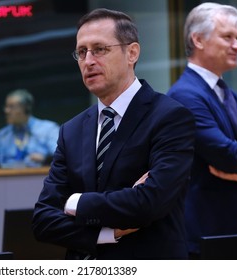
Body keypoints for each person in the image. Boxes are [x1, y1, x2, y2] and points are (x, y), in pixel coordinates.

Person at [32, 8, 195, 259]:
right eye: (82, 52)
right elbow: (43, 220)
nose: (88, 61)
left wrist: (74, 203)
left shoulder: (170, 117)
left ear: (132, 53)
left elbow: (149, 203)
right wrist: (108, 234)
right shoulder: (71, 130)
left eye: (100, 49)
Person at [167, 2, 237, 258]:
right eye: (228, 37)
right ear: (198, 39)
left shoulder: (231, 95)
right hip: (204, 237)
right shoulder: (185, 95)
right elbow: (228, 156)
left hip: (234, 231)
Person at [0, 89, 60, 168]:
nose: (6, 111)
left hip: (40, 177)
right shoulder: (1, 136)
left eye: (11, 107)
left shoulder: (49, 129)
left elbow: (60, 158)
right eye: (6, 106)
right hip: (7, 179)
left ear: (26, 109)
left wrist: (44, 159)